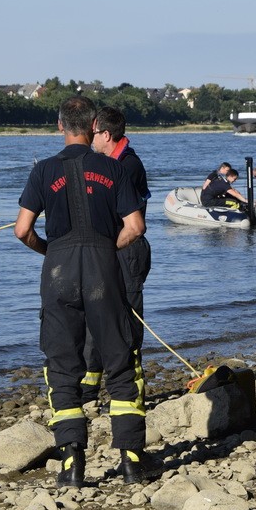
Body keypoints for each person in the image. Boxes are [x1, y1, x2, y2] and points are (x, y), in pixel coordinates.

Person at [14, 96, 153, 487]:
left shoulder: (42, 171)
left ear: (60, 126)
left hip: (57, 269)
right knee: (120, 359)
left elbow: (21, 230)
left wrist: (49, 250)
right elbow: (136, 227)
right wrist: (108, 248)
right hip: (102, 267)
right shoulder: (113, 167)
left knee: (62, 365)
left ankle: (71, 464)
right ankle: (130, 460)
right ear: (94, 125)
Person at [81, 107, 152, 398]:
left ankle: (131, 387)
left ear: (106, 134)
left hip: (128, 250)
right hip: (107, 248)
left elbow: (113, 208)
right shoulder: (106, 161)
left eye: (93, 132)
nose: (90, 137)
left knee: (127, 319)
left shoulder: (127, 164)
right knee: (94, 312)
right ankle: (89, 383)